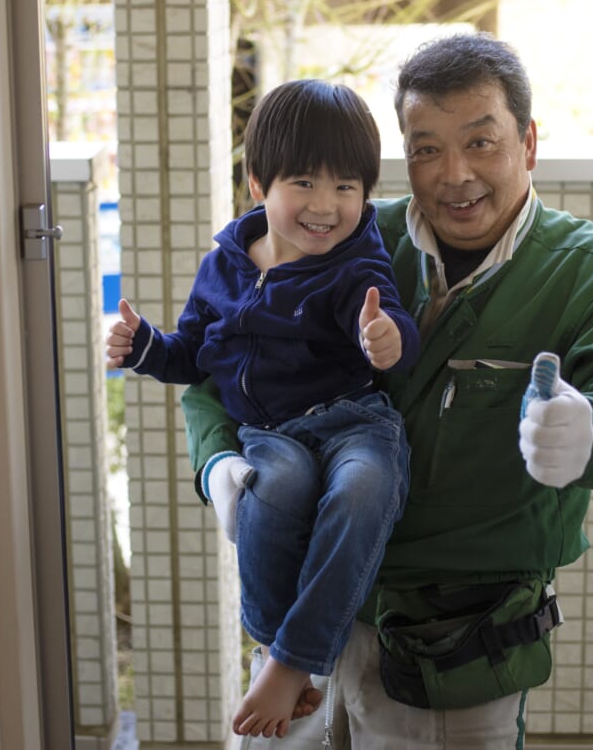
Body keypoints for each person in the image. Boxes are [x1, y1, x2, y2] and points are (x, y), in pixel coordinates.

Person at [182, 33, 593, 749]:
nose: (455, 174)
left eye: (481, 143)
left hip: (457, 647)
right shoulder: (346, 236)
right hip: (304, 618)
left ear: (528, 143)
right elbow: (217, 356)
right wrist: (218, 463)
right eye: (426, 149)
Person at [106, 79, 421, 739]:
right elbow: (193, 355)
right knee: (274, 488)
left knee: (365, 488)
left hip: (354, 421)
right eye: (303, 183)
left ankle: (289, 661)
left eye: (345, 188)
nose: (325, 206)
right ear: (258, 184)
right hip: (272, 434)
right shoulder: (224, 264)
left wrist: (385, 340)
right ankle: (274, 644)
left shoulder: (355, 257)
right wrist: (144, 349)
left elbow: (387, 315)